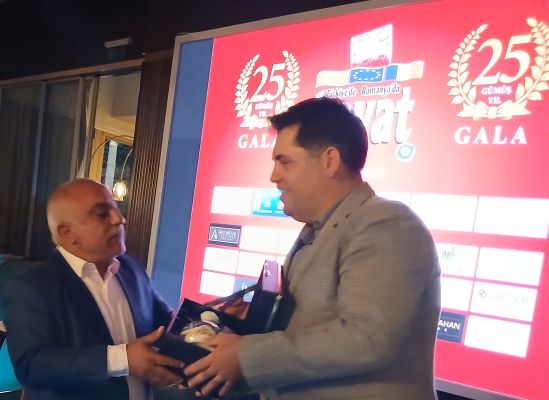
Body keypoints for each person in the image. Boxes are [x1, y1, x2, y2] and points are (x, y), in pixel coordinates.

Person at [184, 97, 441, 400]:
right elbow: (314, 321)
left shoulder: (385, 223)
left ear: (329, 161)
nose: (274, 176)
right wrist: (254, 321)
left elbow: (366, 339)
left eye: (285, 161)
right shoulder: (320, 229)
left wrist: (246, 356)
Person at [0, 179, 184, 400]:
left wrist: (203, 329)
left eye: (116, 209)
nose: (119, 219)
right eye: (102, 214)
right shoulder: (31, 287)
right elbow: (32, 366)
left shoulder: (131, 269)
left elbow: (164, 324)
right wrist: (122, 359)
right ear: (67, 233)